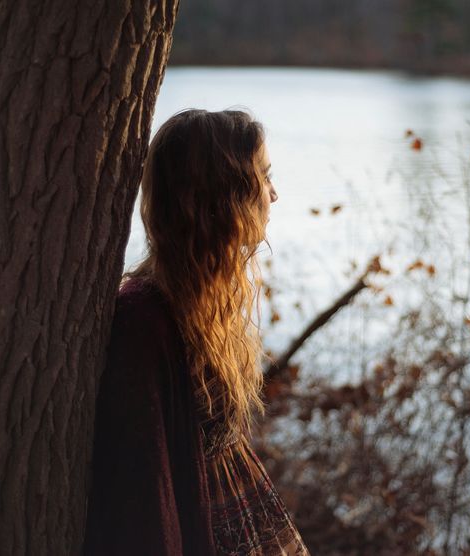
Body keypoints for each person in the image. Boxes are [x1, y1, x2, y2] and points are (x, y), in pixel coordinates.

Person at [83, 109, 310, 555]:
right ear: (225, 194)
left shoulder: (200, 303)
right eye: (263, 177)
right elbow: (143, 487)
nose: (275, 194)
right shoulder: (143, 319)